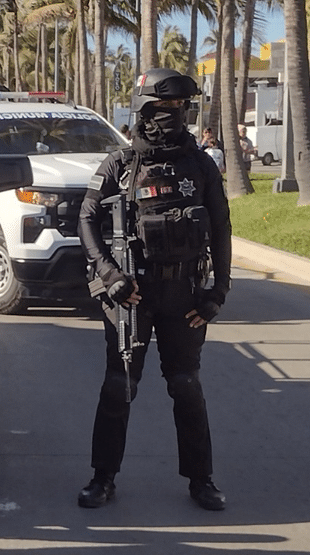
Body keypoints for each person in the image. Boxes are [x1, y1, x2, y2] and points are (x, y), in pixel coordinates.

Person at [76, 67, 232, 512]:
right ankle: (102, 477)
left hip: (183, 295)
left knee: (186, 385)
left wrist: (217, 292)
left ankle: (201, 479)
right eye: (164, 108)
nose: (172, 116)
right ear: (144, 109)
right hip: (130, 296)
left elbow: (221, 228)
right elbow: (86, 220)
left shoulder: (200, 165)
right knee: (118, 385)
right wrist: (110, 276)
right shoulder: (120, 165)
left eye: (180, 108)